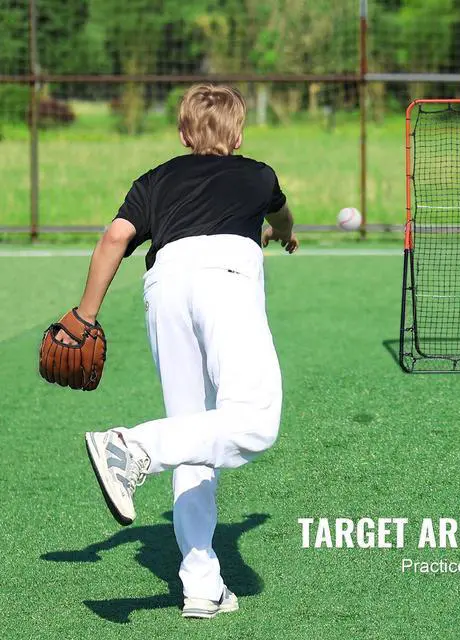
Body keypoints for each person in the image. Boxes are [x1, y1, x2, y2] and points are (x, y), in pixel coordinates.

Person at [62, 83, 297, 619]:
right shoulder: (258, 175)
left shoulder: (156, 179)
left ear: (184, 133)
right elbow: (282, 216)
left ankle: (201, 586)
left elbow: (115, 238)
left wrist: (85, 315)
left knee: (193, 433)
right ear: (239, 134)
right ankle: (130, 447)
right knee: (256, 422)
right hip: (226, 279)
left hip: (165, 284)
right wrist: (282, 234)